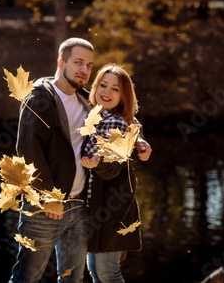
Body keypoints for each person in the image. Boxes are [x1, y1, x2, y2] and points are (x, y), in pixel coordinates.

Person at [9, 37, 94, 283]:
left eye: (89, 65)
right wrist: (49, 197)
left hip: (79, 207)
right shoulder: (39, 99)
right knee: (27, 277)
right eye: (78, 62)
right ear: (61, 62)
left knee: (72, 279)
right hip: (44, 207)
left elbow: (123, 117)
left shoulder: (88, 102)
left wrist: (139, 139)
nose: (84, 70)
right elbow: (27, 150)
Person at [81, 64, 152, 283]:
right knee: (95, 271)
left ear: (123, 96)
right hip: (94, 208)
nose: (106, 92)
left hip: (112, 211)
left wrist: (96, 163)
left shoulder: (115, 123)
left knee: (108, 273)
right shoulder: (93, 113)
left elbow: (112, 168)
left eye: (115, 89)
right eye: (103, 85)